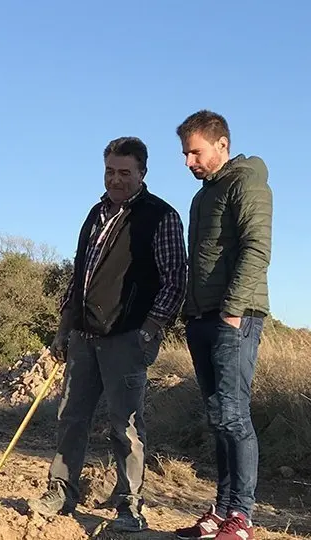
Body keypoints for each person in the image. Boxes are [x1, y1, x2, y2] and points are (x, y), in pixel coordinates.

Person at [28, 136, 188, 533]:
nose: (116, 180)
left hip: (127, 336)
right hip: (84, 335)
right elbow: (78, 277)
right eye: (110, 171)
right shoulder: (95, 213)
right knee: (71, 416)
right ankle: (61, 490)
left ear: (142, 174)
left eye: (125, 173)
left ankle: (130, 503)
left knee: (125, 424)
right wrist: (64, 328)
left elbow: (175, 281)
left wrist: (149, 330)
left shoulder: (160, 216)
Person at [172, 110, 272, 540]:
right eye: (185, 153)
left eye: (195, 151)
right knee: (218, 417)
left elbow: (257, 247)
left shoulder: (245, 182)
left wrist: (231, 312)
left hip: (235, 318)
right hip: (202, 317)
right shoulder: (202, 196)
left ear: (222, 145)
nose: (188, 161)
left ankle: (242, 517)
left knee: (233, 416)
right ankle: (223, 510)